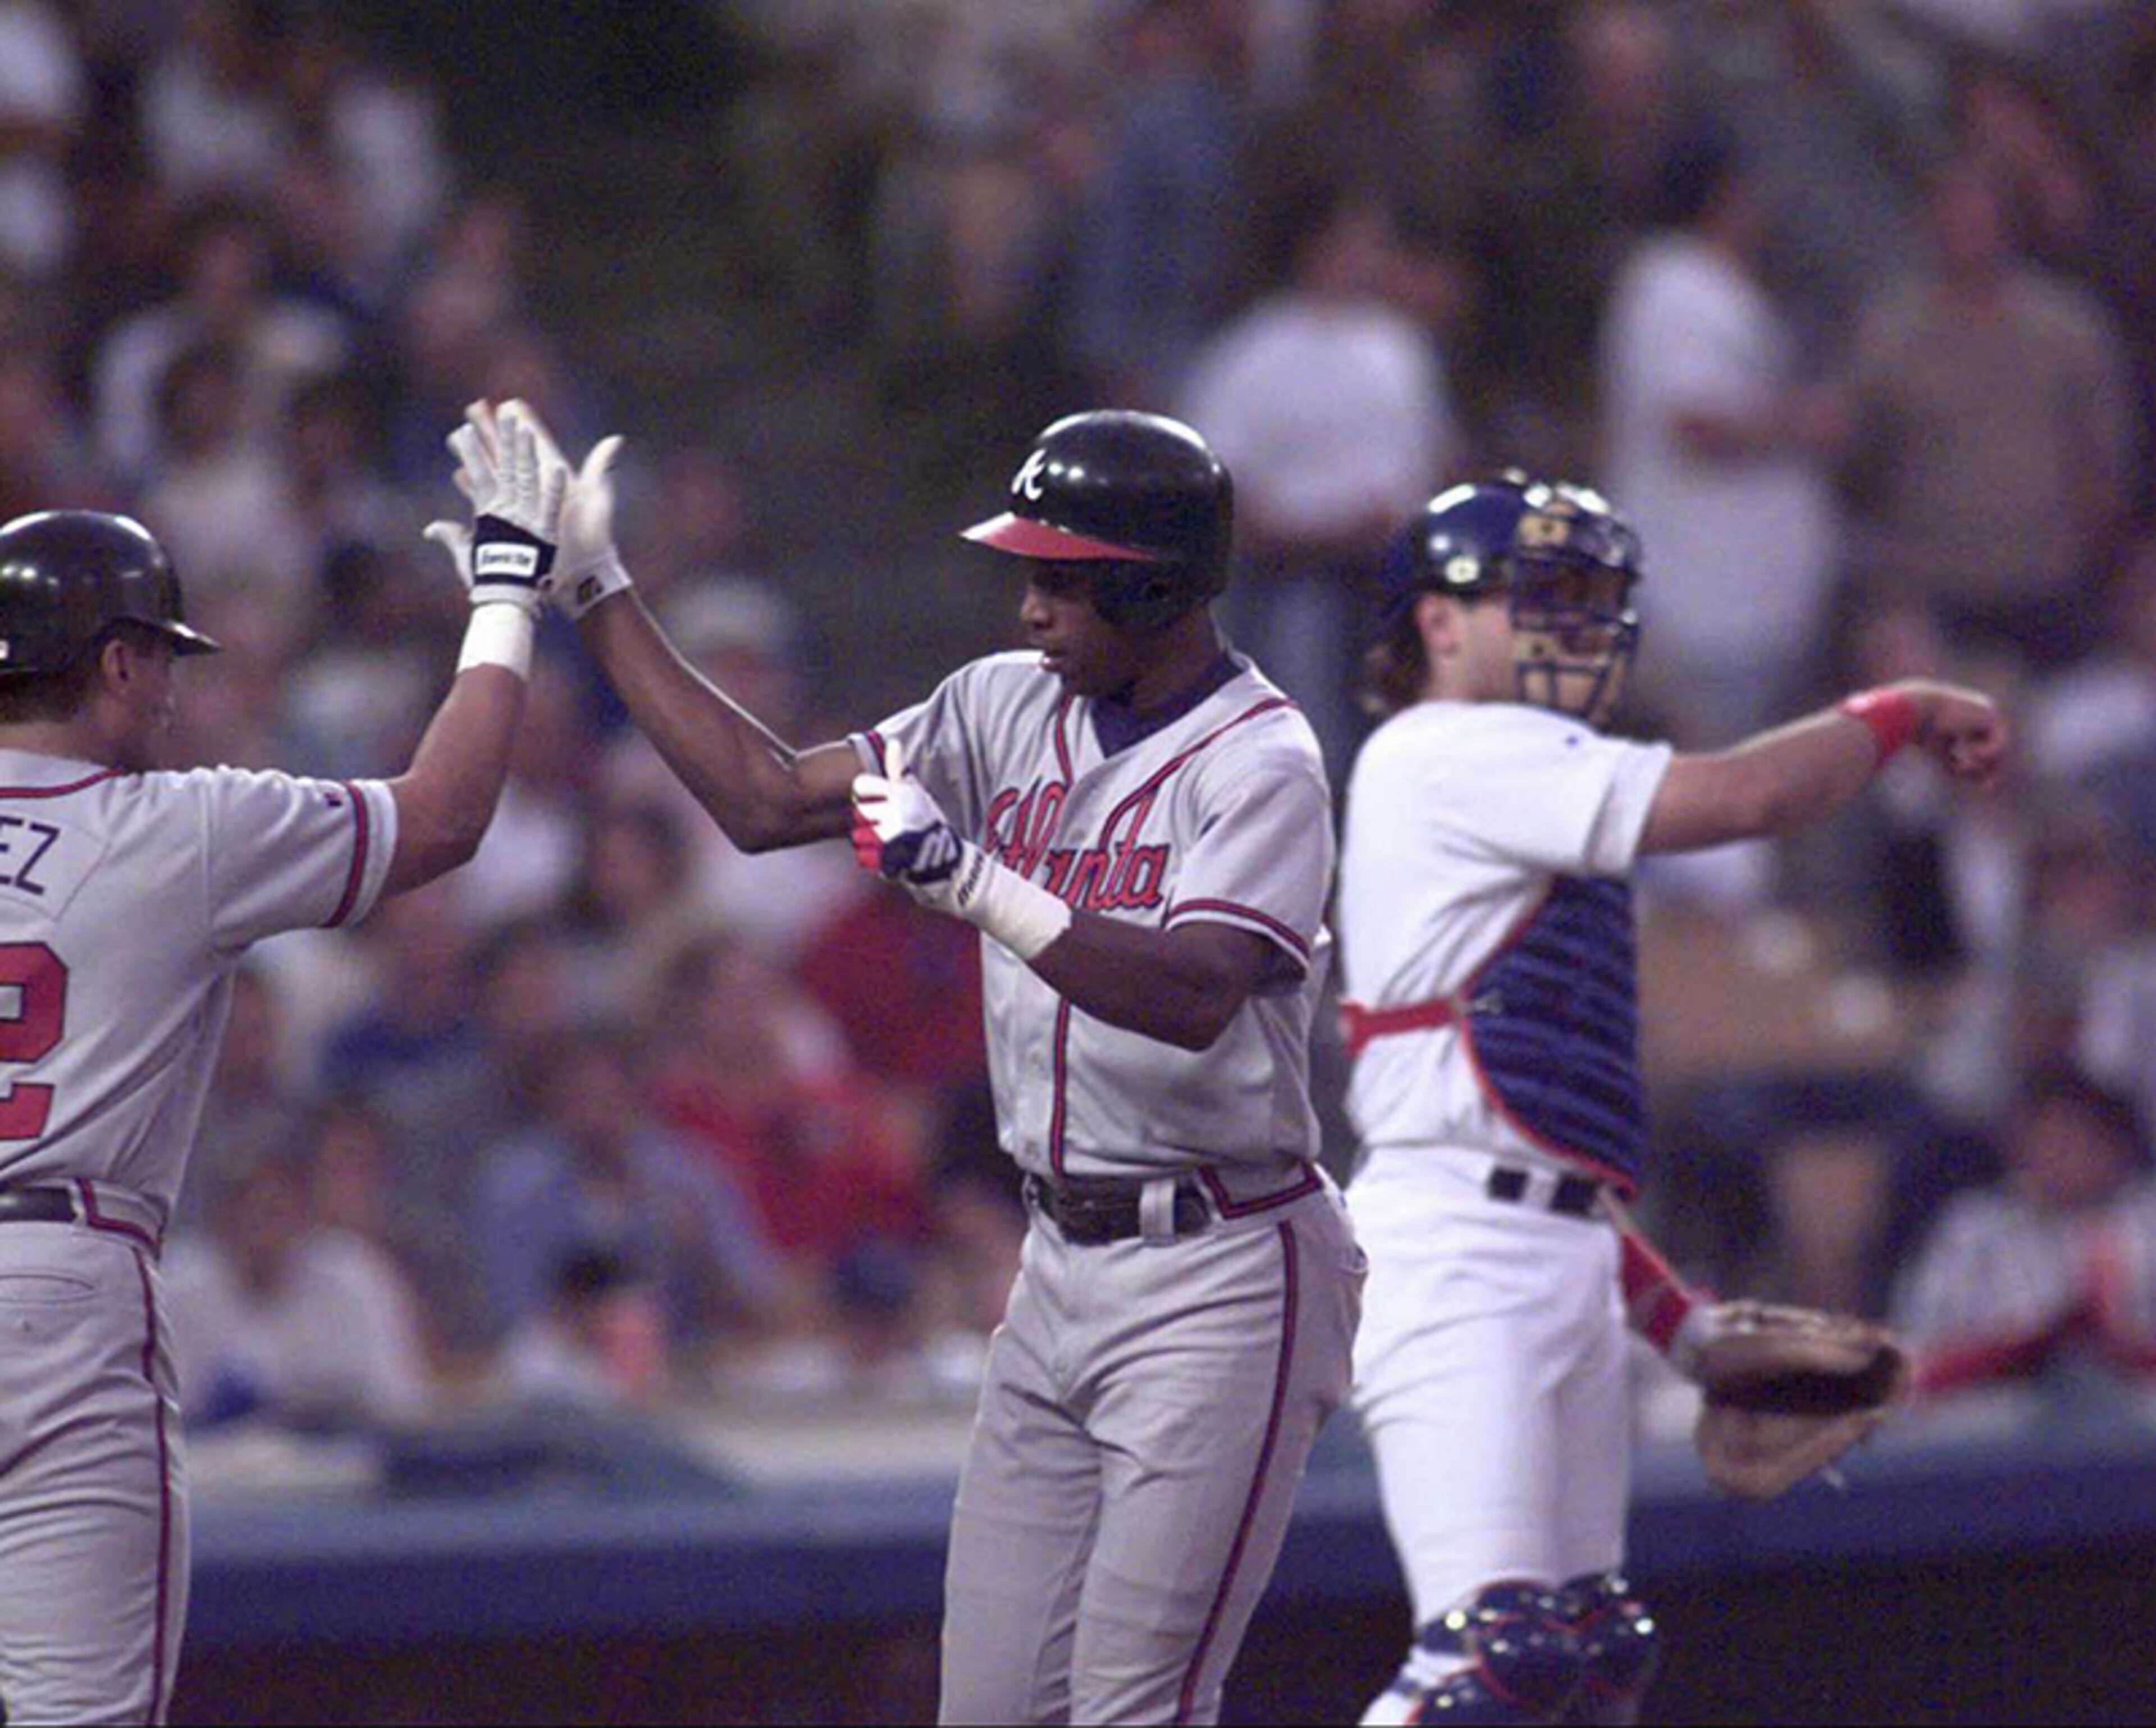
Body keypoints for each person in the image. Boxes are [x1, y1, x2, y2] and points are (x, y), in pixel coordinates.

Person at [482, 400, 1363, 1725]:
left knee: (1137, 1709)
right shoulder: (1001, 702)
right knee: (990, 1710)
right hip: (1056, 1264)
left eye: (1062, 581)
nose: (1029, 608)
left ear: (1159, 583)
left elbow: (1193, 992)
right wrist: (598, 588)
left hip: (1224, 1267)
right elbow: (765, 795)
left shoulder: (1264, 759)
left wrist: (971, 881)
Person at [1337, 474, 2007, 1725]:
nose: (1579, 628)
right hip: (1453, 1258)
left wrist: (1683, 1328)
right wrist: (1902, 709)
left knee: (1593, 1657)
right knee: (1490, 1664)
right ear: (1437, 622)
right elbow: (1747, 799)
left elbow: (1546, 1165)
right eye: (1546, 598)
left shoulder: (1523, 781)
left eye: (1594, 602)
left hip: (1545, 1253)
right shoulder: (1442, 749)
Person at [0, 398, 559, 1724]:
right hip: (58, 1280)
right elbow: (443, 816)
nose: (178, 686)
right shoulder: (176, 825)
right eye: (165, 658)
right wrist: (505, 590)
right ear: (121, 664)